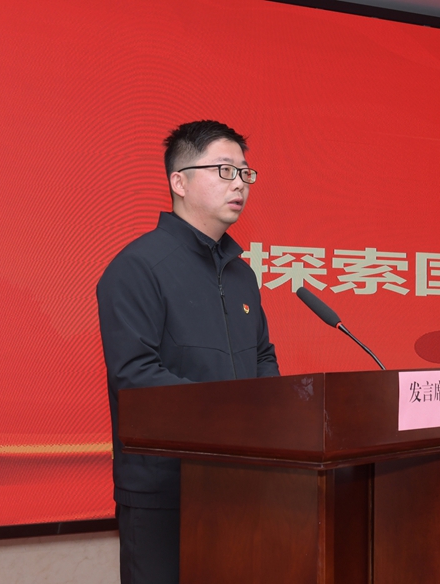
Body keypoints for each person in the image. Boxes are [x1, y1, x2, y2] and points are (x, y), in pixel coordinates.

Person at [96, 120, 279, 584]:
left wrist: (271, 411)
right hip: (164, 489)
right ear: (179, 182)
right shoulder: (138, 267)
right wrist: (230, 415)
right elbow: (135, 376)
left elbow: (263, 357)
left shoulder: (241, 275)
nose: (239, 183)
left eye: (244, 172)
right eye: (224, 170)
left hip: (238, 481)